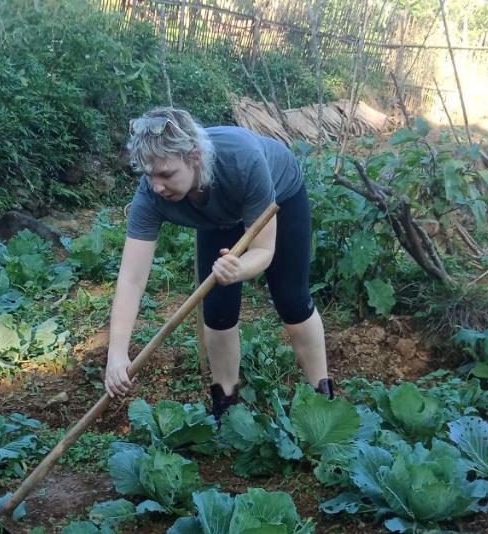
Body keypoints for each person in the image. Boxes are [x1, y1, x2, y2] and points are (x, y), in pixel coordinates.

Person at [103, 106, 332, 420]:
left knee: (292, 300)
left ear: (194, 157)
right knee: (217, 311)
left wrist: (238, 268)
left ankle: (323, 399)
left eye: (166, 174)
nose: (156, 186)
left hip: (279, 195)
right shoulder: (151, 194)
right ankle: (226, 408)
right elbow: (131, 279)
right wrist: (117, 353)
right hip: (217, 219)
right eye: (149, 175)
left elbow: (263, 252)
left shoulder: (242, 160)